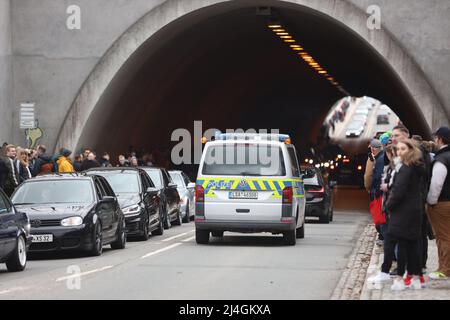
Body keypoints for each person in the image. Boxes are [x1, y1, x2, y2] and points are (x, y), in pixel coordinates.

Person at [385, 139, 425, 291]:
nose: (399, 152)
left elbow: (398, 191)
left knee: (402, 245)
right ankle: (416, 277)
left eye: (403, 149)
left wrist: (388, 206)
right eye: (398, 149)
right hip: (415, 209)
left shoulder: (405, 169)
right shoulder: (416, 167)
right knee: (413, 244)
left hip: (403, 211)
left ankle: (400, 278)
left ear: (410, 150)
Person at [427, 126, 450, 280]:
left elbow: (436, 184)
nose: (434, 140)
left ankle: (445, 269)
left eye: (436, 138)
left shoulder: (441, 159)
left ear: (440, 139)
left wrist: (431, 202)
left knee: (443, 237)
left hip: (441, 204)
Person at [369, 139, 386, 245]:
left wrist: (375, 190)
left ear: (374, 149)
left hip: (378, 191)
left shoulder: (380, 159)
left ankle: (382, 236)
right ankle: (382, 235)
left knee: (379, 215)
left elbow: (378, 176)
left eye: (372, 149)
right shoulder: (380, 157)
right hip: (378, 190)